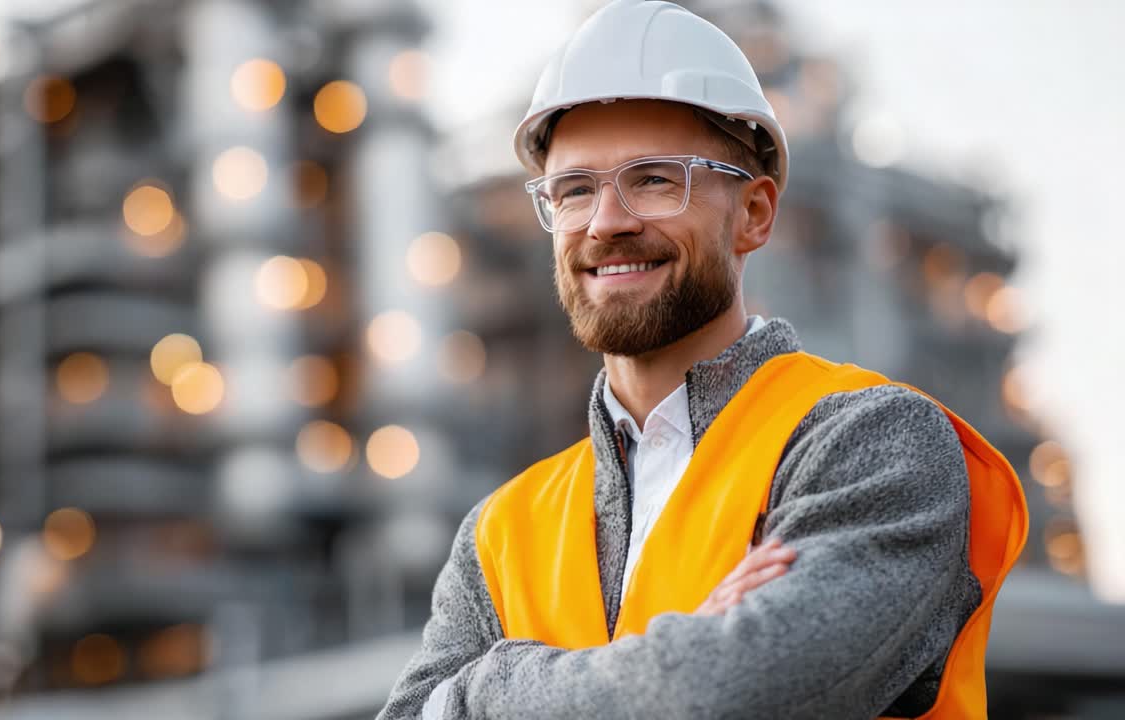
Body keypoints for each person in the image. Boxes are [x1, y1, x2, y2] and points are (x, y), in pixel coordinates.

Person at [377, 1, 1027, 718]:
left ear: (754, 213)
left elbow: (726, 694)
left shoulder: (874, 446)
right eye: (575, 190)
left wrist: (482, 689)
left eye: (656, 179)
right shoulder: (502, 533)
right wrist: (688, 654)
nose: (607, 222)